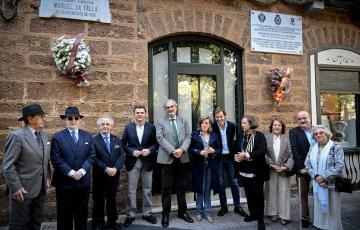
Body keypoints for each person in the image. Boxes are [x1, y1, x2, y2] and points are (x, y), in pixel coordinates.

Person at [3, 104, 51, 230]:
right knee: (18, 225)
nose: (44, 119)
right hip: (23, 190)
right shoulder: (16, 136)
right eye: (41, 116)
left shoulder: (44, 135)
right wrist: (16, 187)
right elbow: (8, 165)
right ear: (30, 118)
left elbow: (45, 160)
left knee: (36, 222)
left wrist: (47, 178)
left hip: (40, 188)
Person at [50, 106, 94, 230]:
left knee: (82, 213)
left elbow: (91, 156)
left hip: (82, 182)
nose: (73, 120)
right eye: (70, 118)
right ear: (65, 120)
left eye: (76, 118)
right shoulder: (57, 137)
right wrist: (71, 172)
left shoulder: (87, 136)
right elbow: (55, 159)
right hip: (64, 183)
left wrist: (82, 171)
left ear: (79, 119)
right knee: (64, 215)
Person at [155, 99, 194, 228]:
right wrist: (173, 151)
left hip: (182, 158)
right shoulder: (160, 121)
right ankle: (165, 214)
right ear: (165, 109)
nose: (170, 109)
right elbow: (159, 138)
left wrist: (181, 149)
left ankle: (182, 212)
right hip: (167, 159)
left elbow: (189, 136)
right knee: (166, 188)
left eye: (172, 107)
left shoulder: (183, 120)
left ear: (176, 107)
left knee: (181, 187)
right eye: (167, 107)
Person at [122, 105, 158, 227]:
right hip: (133, 162)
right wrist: (131, 151)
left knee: (147, 189)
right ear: (134, 114)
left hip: (147, 162)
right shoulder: (128, 127)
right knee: (131, 190)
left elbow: (155, 144)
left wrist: (150, 150)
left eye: (142, 112)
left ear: (145, 114)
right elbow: (123, 145)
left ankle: (147, 213)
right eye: (137, 113)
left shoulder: (151, 127)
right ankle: (130, 215)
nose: (140, 114)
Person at [305, 125, 344, 230]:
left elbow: (339, 166)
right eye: (316, 134)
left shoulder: (336, 147)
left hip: (331, 183)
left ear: (327, 134)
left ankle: (333, 227)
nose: (318, 135)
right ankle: (321, 226)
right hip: (318, 183)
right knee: (319, 206)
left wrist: (323, 177)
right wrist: (317, 176)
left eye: (321, 133)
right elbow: (307, 164)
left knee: (333, 207)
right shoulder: (312, 148)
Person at [234, 115, 269, 230]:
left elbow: (262, 150)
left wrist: (247, 155)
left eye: (244, 123)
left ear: (250, 124)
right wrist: (237, 156)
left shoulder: (259, 136)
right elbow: (237, 150)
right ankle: (252, 214)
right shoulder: (241, 136)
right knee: (249, 194)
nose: (242, 125)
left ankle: (260, 220)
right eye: (242, 123)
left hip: (256, 171)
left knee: (258, 195)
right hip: (244, 170)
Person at [212, 108, 248, 217]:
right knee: (221, 183)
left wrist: (238, 153)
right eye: (217, 117)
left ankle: (237, 206)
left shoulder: (232, 126)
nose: (219, 119)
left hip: (230, 158)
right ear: (215, 117)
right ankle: (224, 207)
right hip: (219, 158)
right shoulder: (213, 127)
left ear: (225, 115)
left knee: (234, 182)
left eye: (221, 116)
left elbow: (237, 140)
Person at [92, 115, 125, 230]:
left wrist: (115, 168)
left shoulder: (117, 140)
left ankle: (112, 222)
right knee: (98, 200)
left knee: (112, 199)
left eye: (107, 124)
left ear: (111, 126)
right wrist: (106, 169)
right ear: (99, 126)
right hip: (99, 176)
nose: (105, 126)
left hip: (114, 176)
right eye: (103, 124)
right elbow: (93, 158)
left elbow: (122, 155)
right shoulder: (94, 140)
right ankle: (98, 222)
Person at [189, 116, 221, 223]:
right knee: (200, 190)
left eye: (206, 123)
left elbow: (220, 149)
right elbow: (191, 149)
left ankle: (207, 213)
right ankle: (198, 212)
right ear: (200, 124)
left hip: (210, 166)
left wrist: (214, 151)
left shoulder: (214, 136)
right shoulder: (194, 135)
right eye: (202, 123)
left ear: (210, 125)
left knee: (207, 190)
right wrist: (199, 152)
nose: (204, 125)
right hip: (198, 166)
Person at [264, 119, 294, 225]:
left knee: (284, 192)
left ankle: (284, 215)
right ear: (271, 127)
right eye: (275, 125)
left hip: (283, 170)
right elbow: (263, 153)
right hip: (270, 169)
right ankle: (273, 213)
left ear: (282, 127)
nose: (277, 127)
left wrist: (285, 167)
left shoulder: (286, 139)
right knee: (271, 191)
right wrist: (271, 164)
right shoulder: (266, 138)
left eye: (279, 125)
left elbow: (291, 155)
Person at [289, 111, 315, 228]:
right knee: (303, 195)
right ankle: (305, 218)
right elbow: (295, 151)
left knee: (320, 194)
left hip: (319, 168)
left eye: (304, 118)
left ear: (310, 118)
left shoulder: (317, 130)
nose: (302, 121)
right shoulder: (294, 132)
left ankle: (322, 217)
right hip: (303, 169)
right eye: (299, 119)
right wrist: (302, 167)